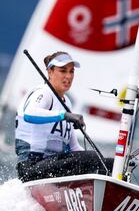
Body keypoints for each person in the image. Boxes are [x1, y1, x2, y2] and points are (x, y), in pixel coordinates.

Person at [15, 51, 112, 182]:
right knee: (92, 158)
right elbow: (29, 114)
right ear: (50, 72)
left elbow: (74, 148)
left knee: (109, 164)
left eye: (71, 71)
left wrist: (102, 160)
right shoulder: (44, 93)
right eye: (63, 71)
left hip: (54, 167)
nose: (68, 76)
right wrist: (64, 115)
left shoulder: (66, 102)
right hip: (32, 168)